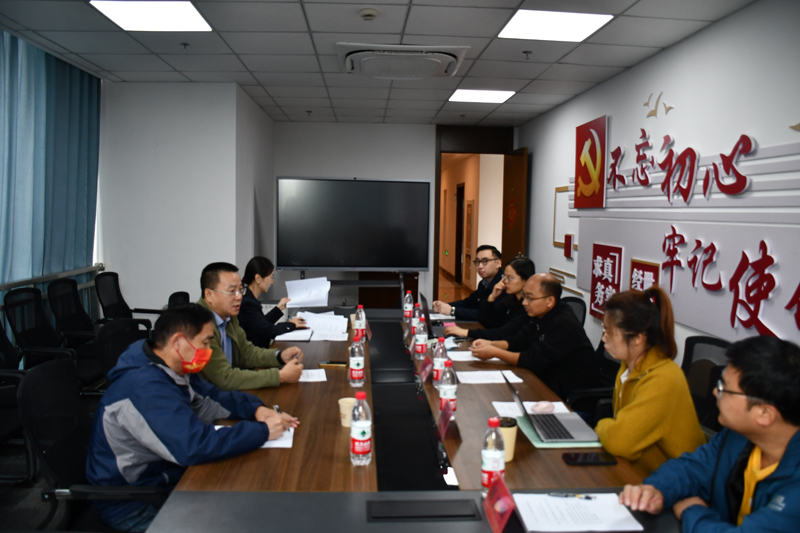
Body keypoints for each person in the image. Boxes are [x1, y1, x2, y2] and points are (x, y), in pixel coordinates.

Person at [86, 304, 298, 532]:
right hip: (133, 502)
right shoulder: (146, 387)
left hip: (165, 476)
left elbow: (212, 398)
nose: (209, 350)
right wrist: (262, 431)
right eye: (205, 343)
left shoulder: (172, 367)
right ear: (178, 342)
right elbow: (193, 446)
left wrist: (256, 410)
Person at [620, 336, 800, 532]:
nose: (715, 392)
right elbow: (692, 468)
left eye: (724, 388)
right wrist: (657, 489)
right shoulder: (737, 435)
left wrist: (693, 512)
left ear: (764, 414)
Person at [594, 287, 705, 476]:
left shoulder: (663, 378)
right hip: (633, 470)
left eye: (609, 331)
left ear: (637, 337)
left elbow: (619, 441)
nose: (604, 338)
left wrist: (601, 425)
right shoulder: (629, 366)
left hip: (673, 483)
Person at [469, 273, 601, 399]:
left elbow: (533, 360)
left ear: (550, 301)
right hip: (545, 379)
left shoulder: (563, 323)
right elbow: (519, 340)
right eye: (524, 296)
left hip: (571, 393)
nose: (524, 302)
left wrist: (495, 352)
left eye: (530, 298)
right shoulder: (540, 314)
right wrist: (491, 344)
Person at [197, 262, 304, 391]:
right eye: (231, 291)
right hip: (206, 398)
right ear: (209, 294)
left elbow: (247, 353)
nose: (239, 297)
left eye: (240, 290)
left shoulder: (229, 316)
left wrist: (279, 356)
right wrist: (279, 376)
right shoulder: (198, 326)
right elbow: (225, 378)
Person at [444, 256, 534, 341]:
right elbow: (486, 320)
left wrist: (466, 332)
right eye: (504, 277)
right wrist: (492, 297)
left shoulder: (528, 306)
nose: (505, 282)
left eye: (510, 278)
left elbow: (504, 332)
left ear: (525, 280)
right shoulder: (510, 300)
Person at [238, 256, 307, 349]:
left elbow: (260, 324)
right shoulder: (248, 304)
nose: (272, 282)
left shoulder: (249, 299)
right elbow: (268, 330)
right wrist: (291, 324)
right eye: (271, 277)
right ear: (258, 278)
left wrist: (279, 308)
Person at [432, 245, 503, 321]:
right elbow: (469, 303)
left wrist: (452, 311)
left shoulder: (502, 286)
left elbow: (485, 315)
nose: (480, 266)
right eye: (477, 262)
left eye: (485, 261)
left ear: (498, 263)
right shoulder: (483, 283)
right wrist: (444, 306)